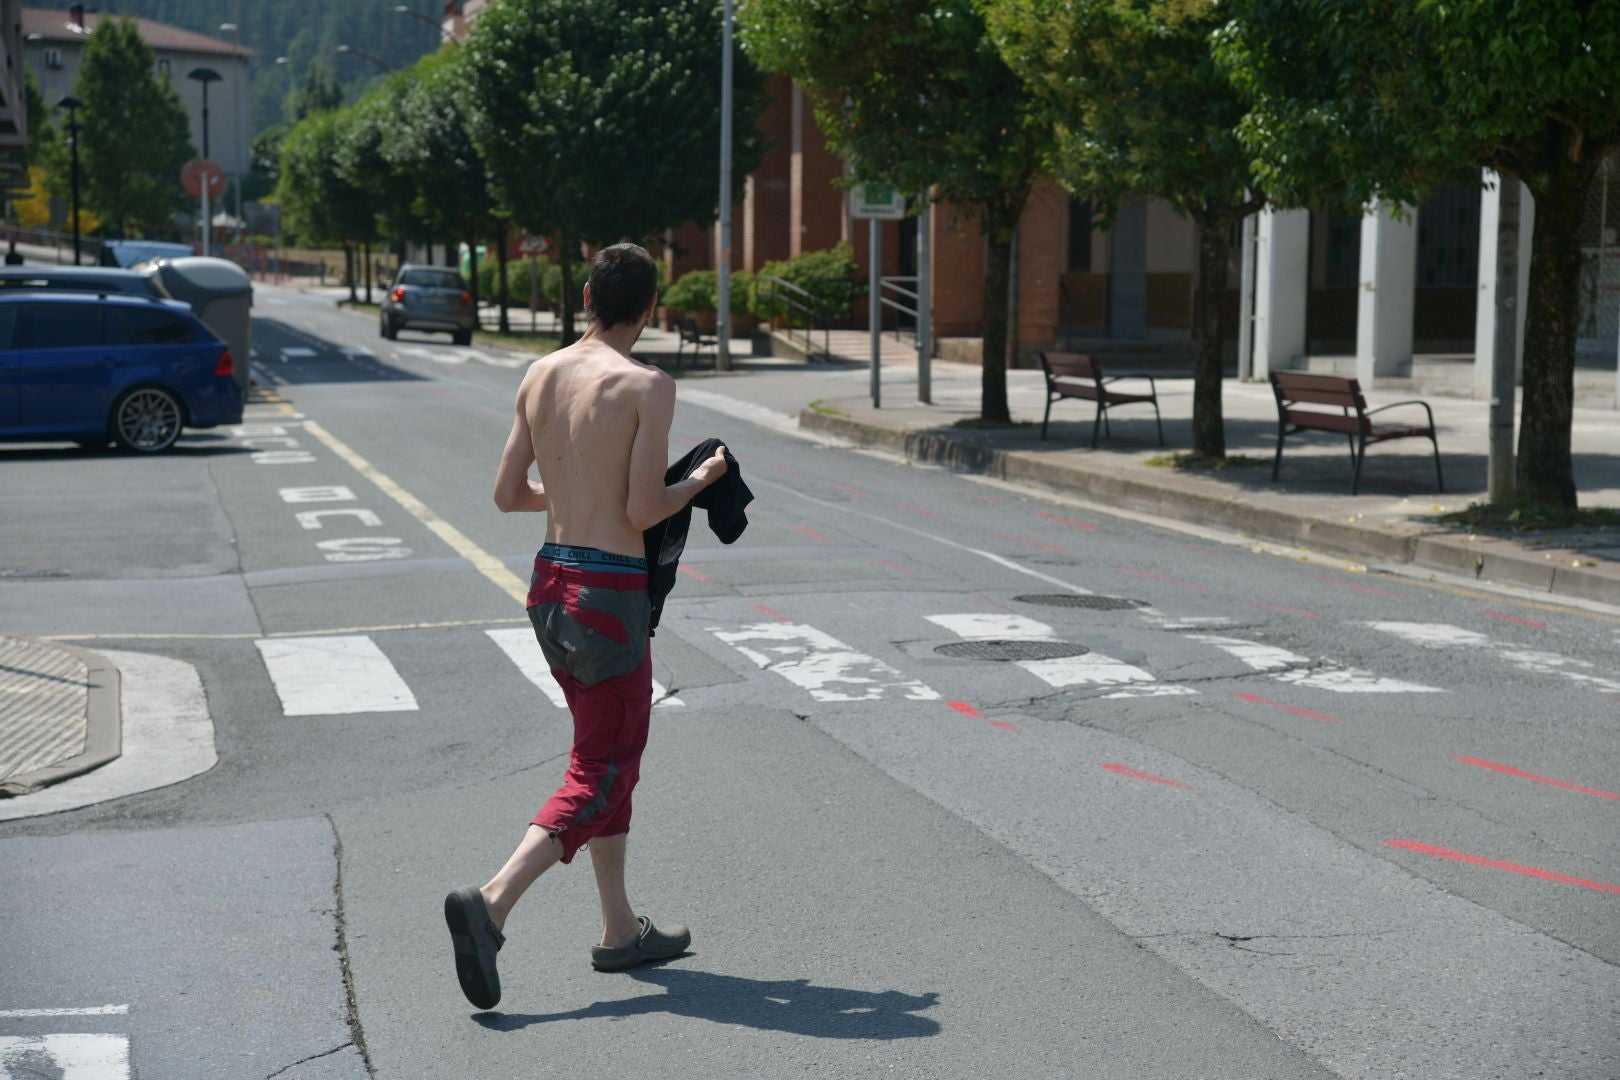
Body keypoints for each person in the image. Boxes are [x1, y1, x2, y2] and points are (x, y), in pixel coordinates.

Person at [444, 243, 728, 1011]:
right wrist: (699, 481)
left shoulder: (540, 374)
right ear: (650, 310)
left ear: (584, 294)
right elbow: (642, 511)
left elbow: (508, 494)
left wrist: (575, 486)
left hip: (550, 584)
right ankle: (493, 903)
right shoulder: (647, 386)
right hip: (608, 596)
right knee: (600, 771)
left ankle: (618, 932)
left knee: (604, 755)